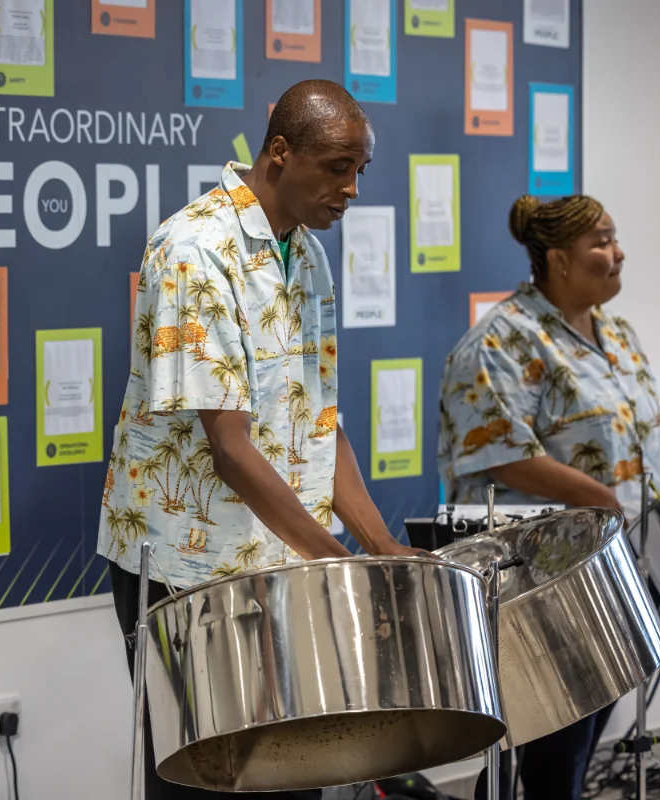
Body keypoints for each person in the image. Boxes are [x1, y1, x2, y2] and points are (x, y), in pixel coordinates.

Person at [97, 79, 429, 800]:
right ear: (279, 152)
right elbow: (230, 446)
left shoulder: (305, 255)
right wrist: (337, 559)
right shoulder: (195, 250)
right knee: (208, 782)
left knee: (297, 775)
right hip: (193, 568)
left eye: (360, 170)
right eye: (338, 166)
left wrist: (384, 550)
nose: (352, 188)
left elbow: (319, 422)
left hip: (283, 560)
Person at [438, 194, 660, 800]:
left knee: (579, 741)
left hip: (619, 566)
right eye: (601, 242)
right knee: (546, 749)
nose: (618, 254)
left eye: (615, 239)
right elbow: (493, 451)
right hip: (543, 582)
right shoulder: (502, 341)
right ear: (558, 259)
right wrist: (599, 498)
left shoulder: (616, 333)